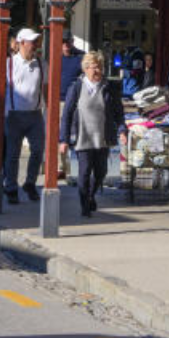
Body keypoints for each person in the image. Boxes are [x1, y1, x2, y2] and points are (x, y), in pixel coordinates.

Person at [61, 50, 111, 216]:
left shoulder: (107, 87)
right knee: (84, 172)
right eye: (94, 67)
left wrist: (122, 130)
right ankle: (84, 205)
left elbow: (117, 112)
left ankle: (91, 195)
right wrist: (64, 139)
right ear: (86, 68)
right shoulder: (76, 87)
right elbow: (67, 114)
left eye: (100, 67)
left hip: (102, 137)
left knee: (101, 172)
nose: (97, 71)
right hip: (82, 136)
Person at [3, 27, 47, 205]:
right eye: (31, 42)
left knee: (38, 150)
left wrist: (49, 112)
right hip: (14, 114)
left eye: (36, 41)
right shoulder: (9, 63)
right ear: (21, 43)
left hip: (35, 115)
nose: (35, 45)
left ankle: (30, 183)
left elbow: (46, 89)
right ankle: (11, 187)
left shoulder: (41, 64)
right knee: (13, 154)